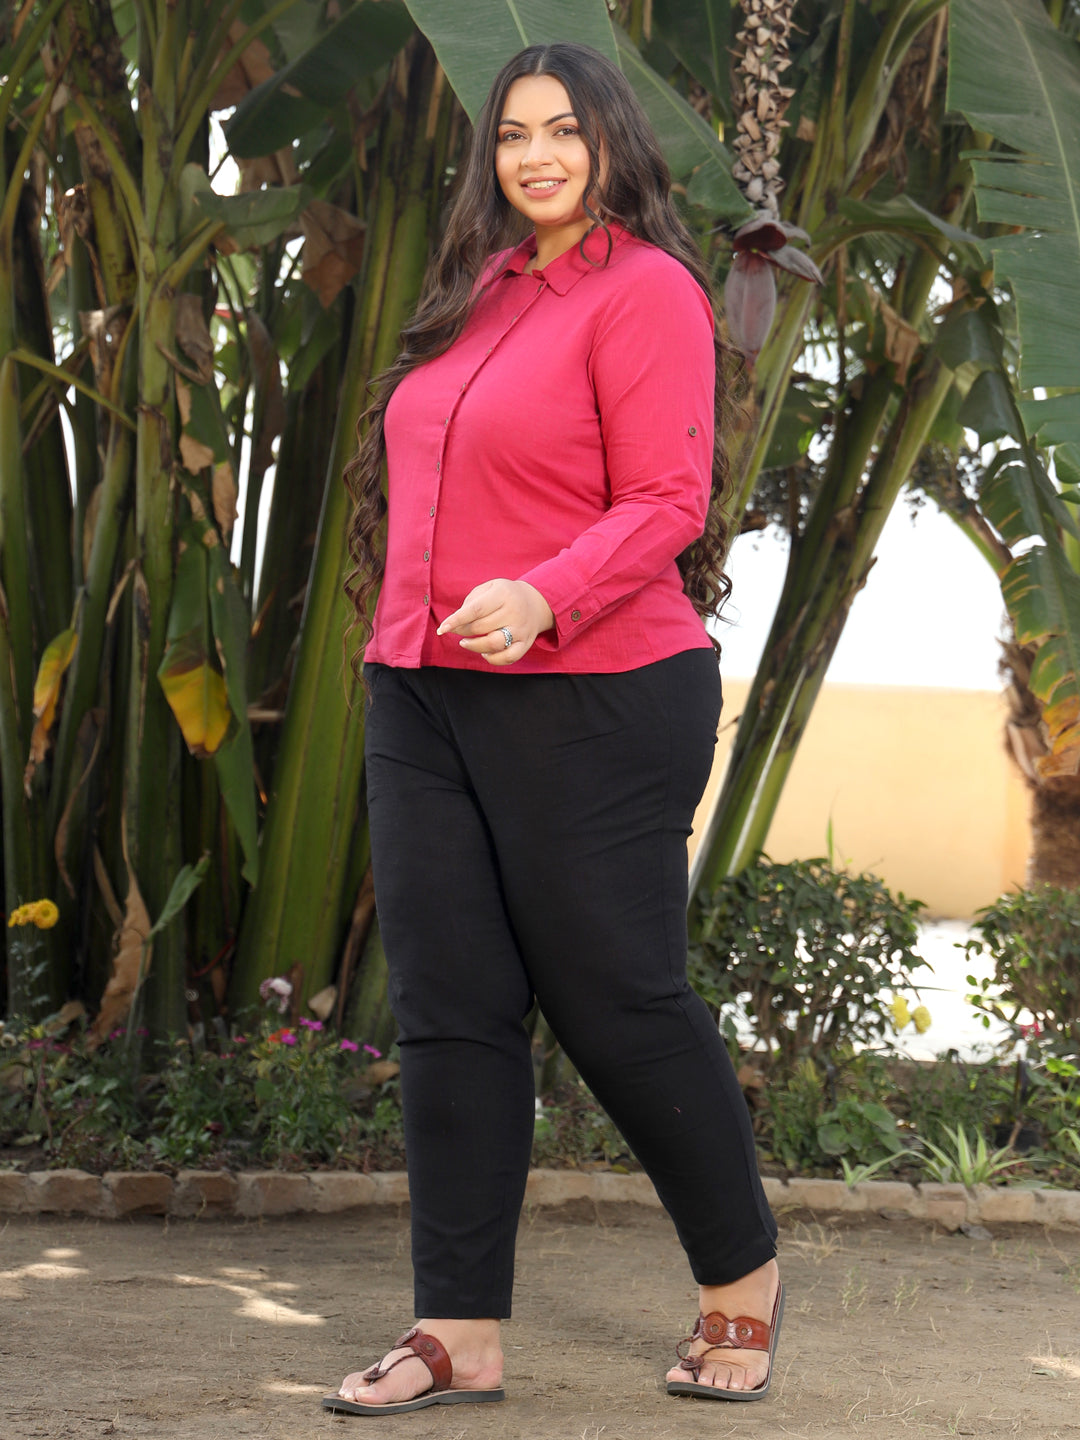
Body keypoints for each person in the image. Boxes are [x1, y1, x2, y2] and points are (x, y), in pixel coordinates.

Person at [323, 41, 781, 1417]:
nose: (536, 155)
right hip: (422, 685)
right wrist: (413, 633)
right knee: (451, 1010)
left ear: (611, 141)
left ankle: (742, 1281)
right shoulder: (479, 289)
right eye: (514, 133)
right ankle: (458, 1331)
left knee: (617, 1002)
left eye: (564, 130)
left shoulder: (647, 291)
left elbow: (667, 501)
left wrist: (543, 595)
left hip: (595, 690)